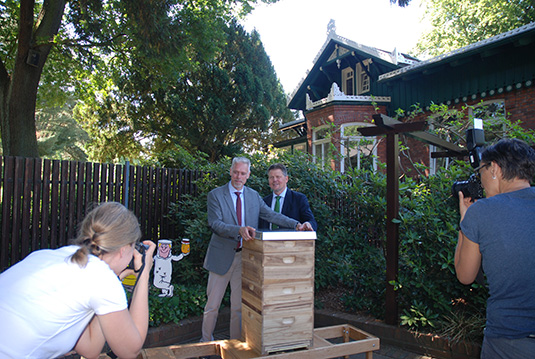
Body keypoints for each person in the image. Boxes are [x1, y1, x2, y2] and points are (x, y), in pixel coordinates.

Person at [0, 202, 156, 359]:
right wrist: (143, 275)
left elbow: (89, 348)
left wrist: (115, 279)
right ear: (124, 249)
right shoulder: (101, 279)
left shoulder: (47, 256)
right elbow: (130, 351)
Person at [202, 157, 310, 343]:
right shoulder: (215, 195)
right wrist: (239, 230)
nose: (239, 176)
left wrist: (296, 225)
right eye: (236, 172)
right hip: (221, 258)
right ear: (230, 171)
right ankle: (204, 343)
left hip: (245, 258)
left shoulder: (253, 196)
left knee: (238, 307)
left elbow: (271, 215)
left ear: (248, 175)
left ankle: (235, 345)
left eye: (243, 173)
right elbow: (215, 224)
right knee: (212, 306)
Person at [455, 138, 535, 359]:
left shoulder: (482, 212)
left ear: (495, 169)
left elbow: (465, 275)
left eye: (481, 170)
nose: (480, 180)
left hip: (509, 340)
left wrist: (465, 222)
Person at [259, 163, 317, 231]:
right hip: (267, 241)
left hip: (291, 241)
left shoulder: (299, 199)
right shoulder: (264, 202)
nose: (274, 180)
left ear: (286, 179)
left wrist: (308, 224)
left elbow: (311, 221)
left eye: (278, 177)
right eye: (271, 177)